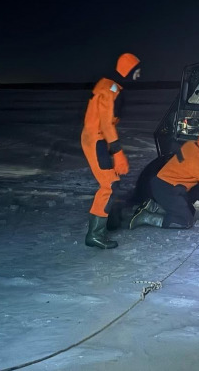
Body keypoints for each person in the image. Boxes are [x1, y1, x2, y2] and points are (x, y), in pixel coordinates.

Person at [81, 52, 141, 249]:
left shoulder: (111, 86)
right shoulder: (109, 89)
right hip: (97, 141)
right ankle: (95, 235)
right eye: (137, 72)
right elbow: (106, 125)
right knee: (109, 186)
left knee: (113, 182)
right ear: (128, 71)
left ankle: (110, 222)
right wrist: (118, 153)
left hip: (100, 139)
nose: (139, 76)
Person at [128, 129, 199, 230]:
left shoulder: (192, 145)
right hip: (166, 189)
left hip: (167, 185)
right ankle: (146, 217)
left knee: (190, 212)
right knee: (184, 221)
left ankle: (154, 207)